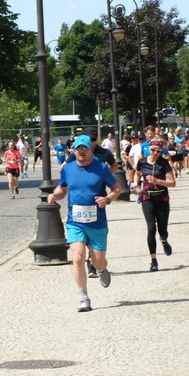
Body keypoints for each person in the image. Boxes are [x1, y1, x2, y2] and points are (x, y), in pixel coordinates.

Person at [48, 134, 122, 312]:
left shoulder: (102, 167)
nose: (81, 151)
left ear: (91, 150)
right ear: (73, 150)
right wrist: (54, 195)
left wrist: (108, 199)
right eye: (78, 148)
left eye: (85, 148)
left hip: (97, 222)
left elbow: (116, 188)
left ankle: (102, 269)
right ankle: (83, 297)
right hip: (75, 221)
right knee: (78, 258)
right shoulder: (68, 168)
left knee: (98, 263)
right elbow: (62, 189)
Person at [134, 139, 176, 271]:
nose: (155, 153)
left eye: (158, 151)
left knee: (162, 229)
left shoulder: (164, 163)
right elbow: (137, 174)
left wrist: (157, 180)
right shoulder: (142, 162)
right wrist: (136, 185)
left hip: (162, 198)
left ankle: (164, 240)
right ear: (149, 149)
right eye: (153, 150)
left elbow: (173, 183)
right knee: (151, 228)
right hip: (147, 198)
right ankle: (153, 260)